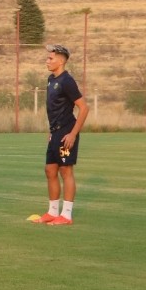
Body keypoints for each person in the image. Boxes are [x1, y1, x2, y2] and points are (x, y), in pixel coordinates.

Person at [35, 44, 89, 225]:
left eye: (50, 58)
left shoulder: (67, 81)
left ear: (60, 61)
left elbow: (84, 108)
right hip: (55, 133)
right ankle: (52, 212)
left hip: (67, 132)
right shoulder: (51, 79)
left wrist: (73, 134)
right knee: (50, 170)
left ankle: (66, 215)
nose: (47, 61)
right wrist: (51, 132)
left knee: (66, 171)